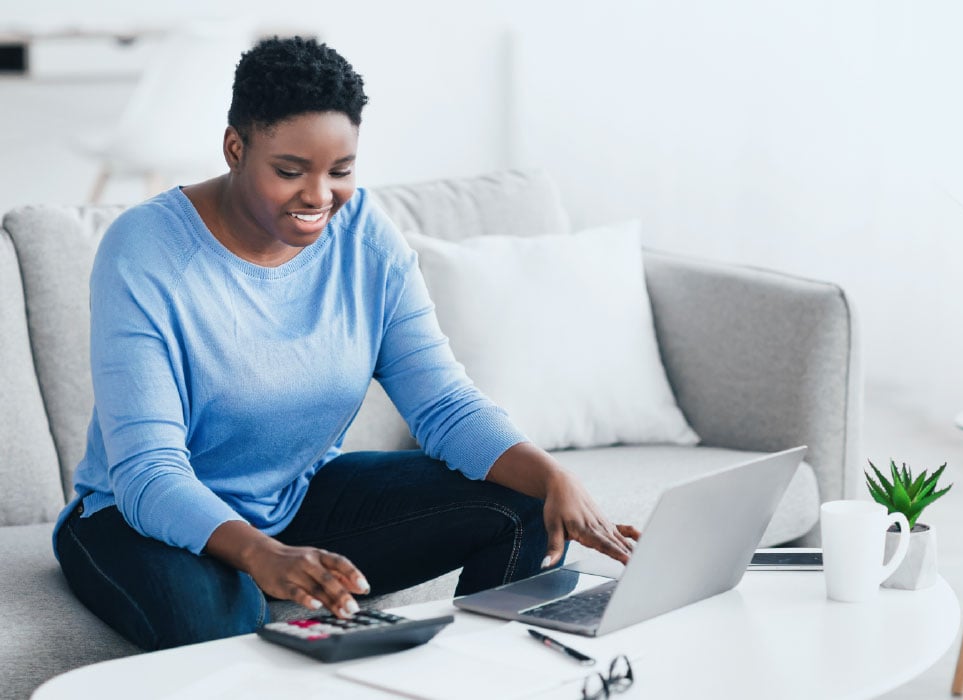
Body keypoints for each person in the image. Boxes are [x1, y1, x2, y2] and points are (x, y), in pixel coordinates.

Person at [53, 35, 639, 651]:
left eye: (341, 170)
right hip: (137, 518)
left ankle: (479, 673)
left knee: (523, 503)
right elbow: (148, 472)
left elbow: (444, 406)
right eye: (289, 171)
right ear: (235, 148)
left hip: (297, 499)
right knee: (217, 620)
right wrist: (261, 554)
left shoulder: (365, 240)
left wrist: (551, 476)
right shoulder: (145, 250)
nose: (318, 197)